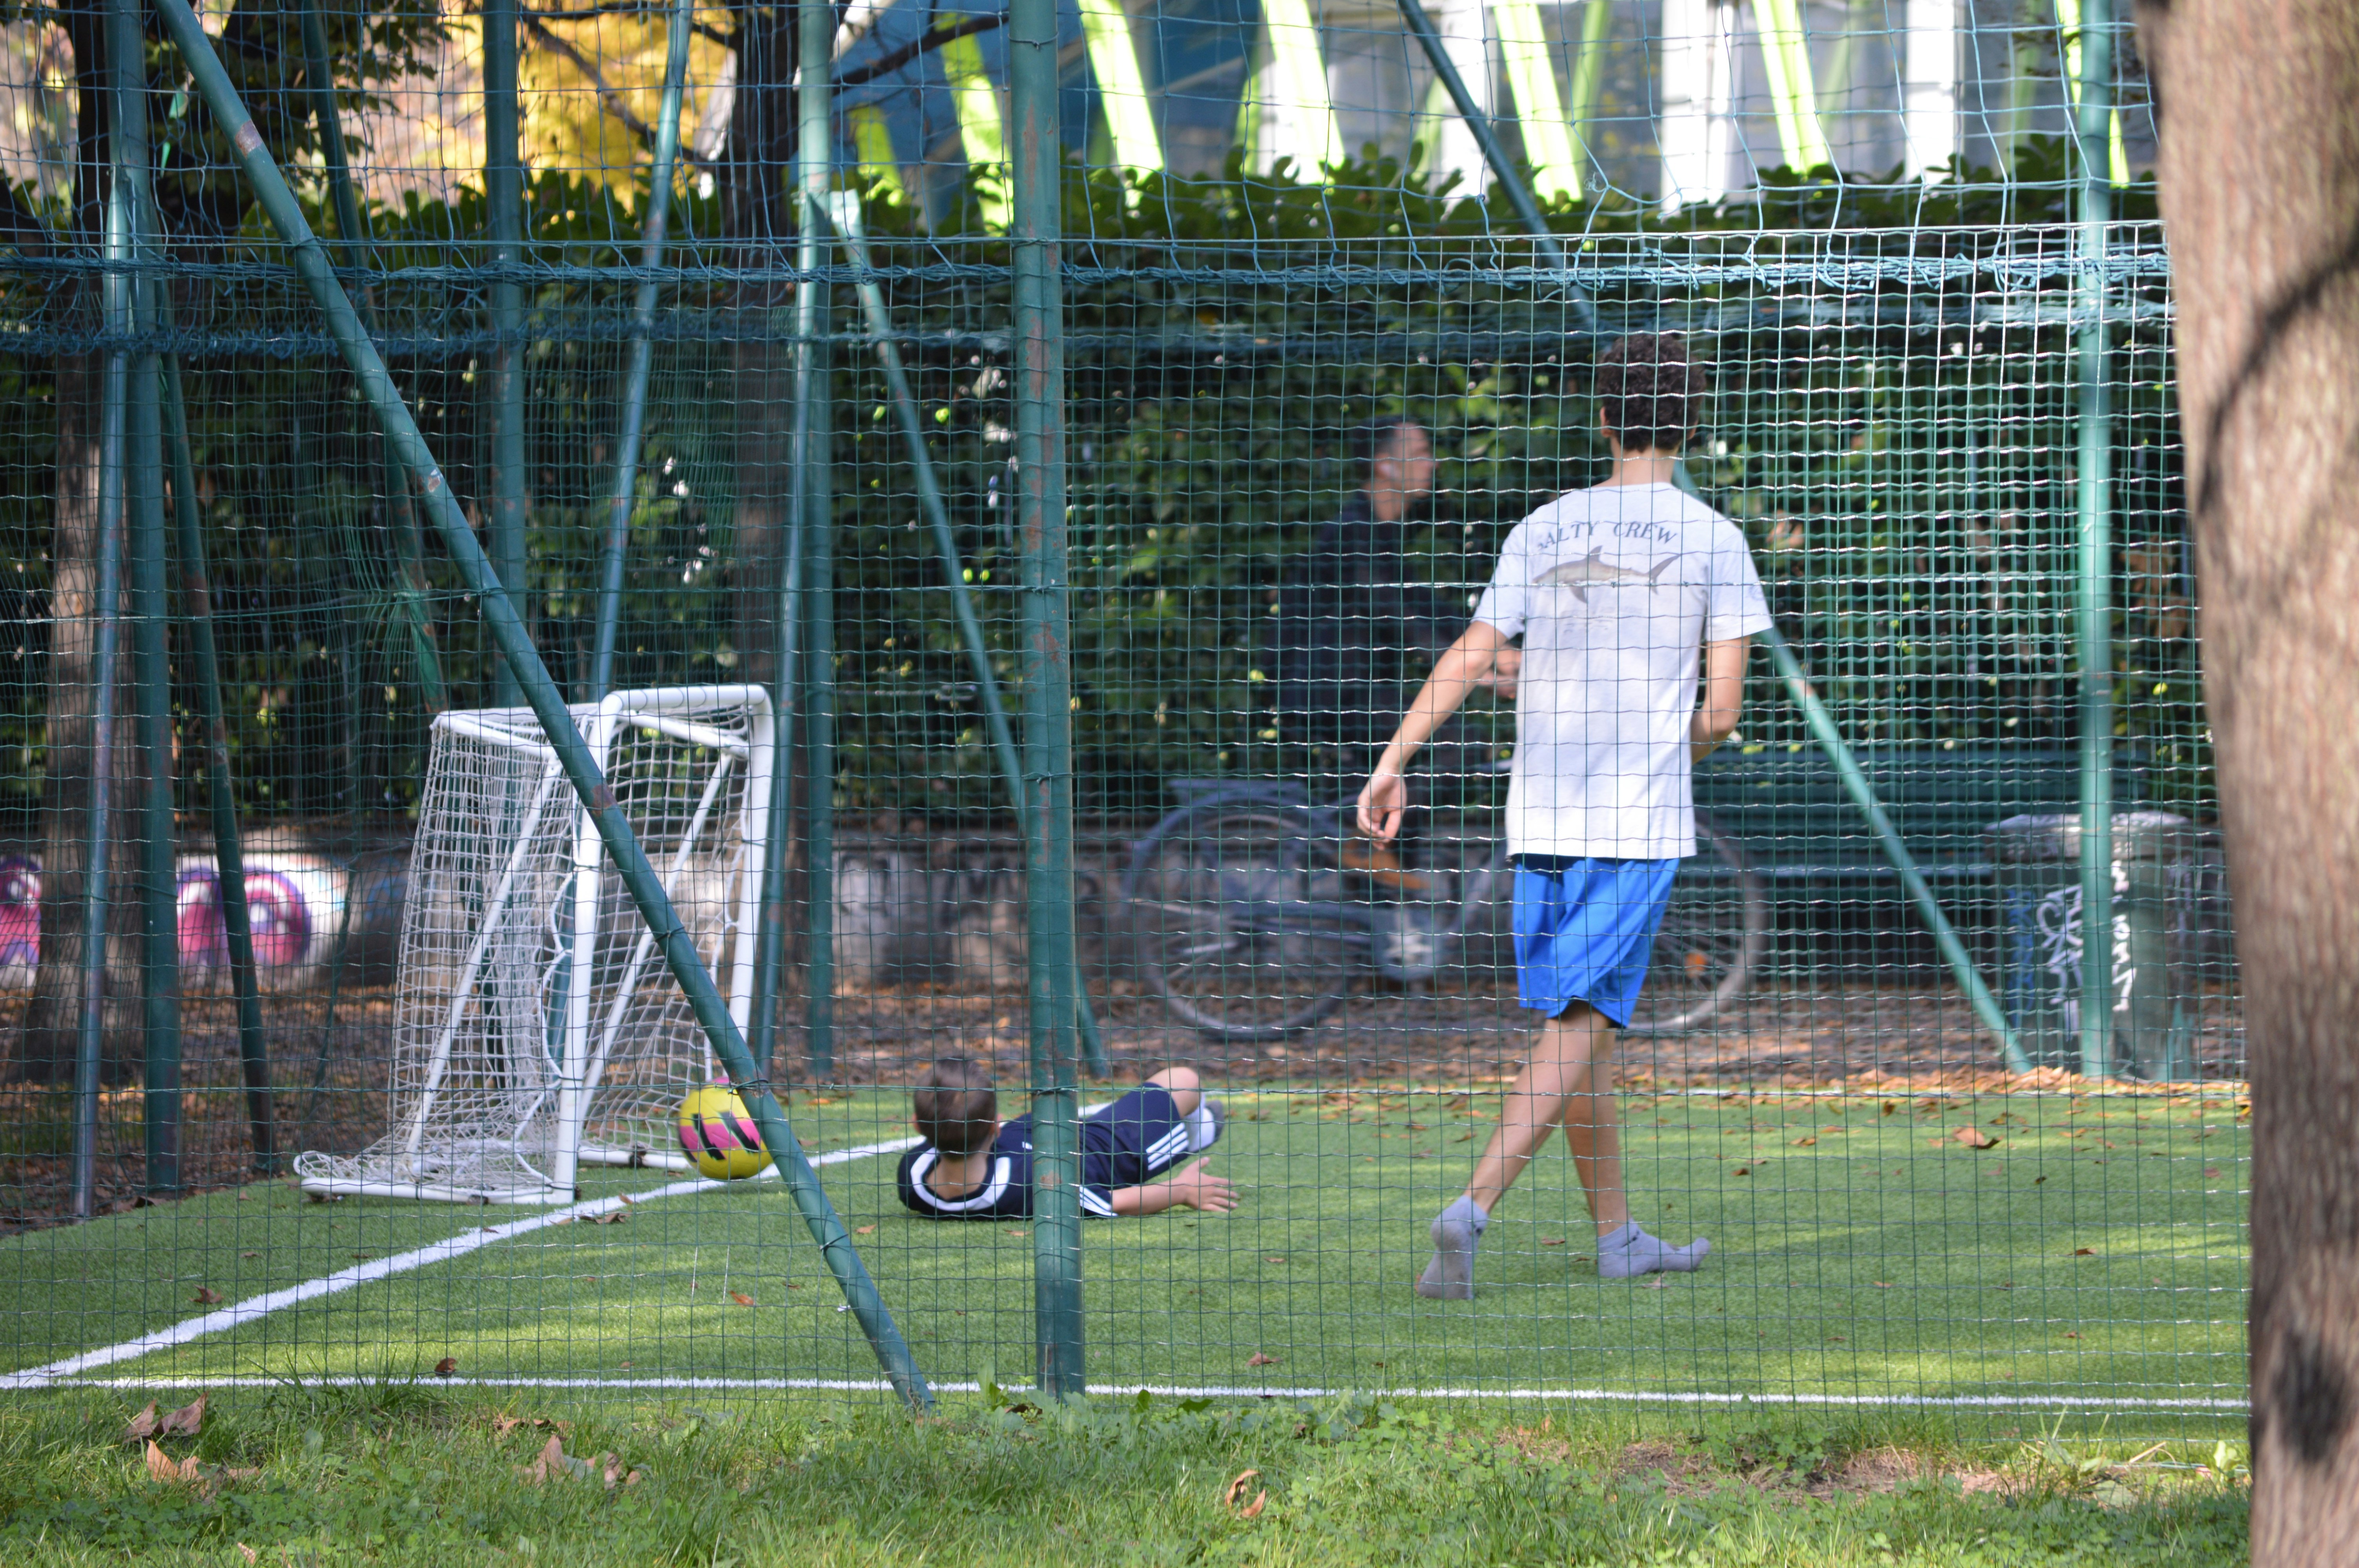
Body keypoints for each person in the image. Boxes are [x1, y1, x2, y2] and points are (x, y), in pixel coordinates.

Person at [1355, 334, 1772, 1294]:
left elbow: (1469, 651)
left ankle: (1616, 1234)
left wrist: (1391, 761)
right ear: (1691, 423)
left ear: (1602, 419)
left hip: (1538, 816)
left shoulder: (1544, 525)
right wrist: (1671, 754)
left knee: (1581, 1022)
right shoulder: (1714, 538)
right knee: (1581, 1020)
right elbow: (1720, 713)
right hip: (1635, 825)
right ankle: (1471, 1207)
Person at [1272, 416, 1516, 884]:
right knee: (1456, 745)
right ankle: (1367, 845)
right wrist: (1480, 669)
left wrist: (1494, 644)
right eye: (1422, 451)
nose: (1434, 462)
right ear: (1385, 465)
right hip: (1330, 694)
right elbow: (1398, 615)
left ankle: (1384, 916)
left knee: (1412, 755)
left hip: (1354, 690)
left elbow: (1418, 603)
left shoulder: (1378, 530)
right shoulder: (1352, 532)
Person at [896, 1058, 1238, 1220]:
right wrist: (1180, 1191)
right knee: (1184, 1077)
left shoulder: (911, 1176)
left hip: (1053, 1129)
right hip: (1115, 1147)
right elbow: (1110, 1203)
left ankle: (1187, 1128)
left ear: (918, 1127)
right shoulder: (1028, 1183)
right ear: (995, 1127)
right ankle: (1191, 1135)